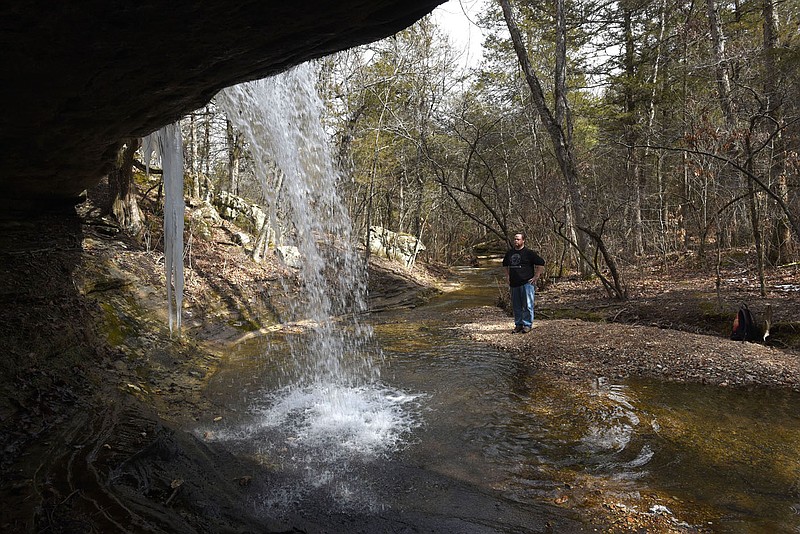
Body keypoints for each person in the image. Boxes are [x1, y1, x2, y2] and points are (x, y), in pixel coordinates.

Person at [502, 232, 545, 334]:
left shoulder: (529, 253)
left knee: (528, 305)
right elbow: (504, 265)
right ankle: (518, 324)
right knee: (516, 306)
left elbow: (541, 263)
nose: (516, 241)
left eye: (518, 239)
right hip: (514, 283)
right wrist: (507, 276)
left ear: (523, 240)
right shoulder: (510, 253)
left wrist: (536, 276)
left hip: (527, 283)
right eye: (515, 239)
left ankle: (527, 325)